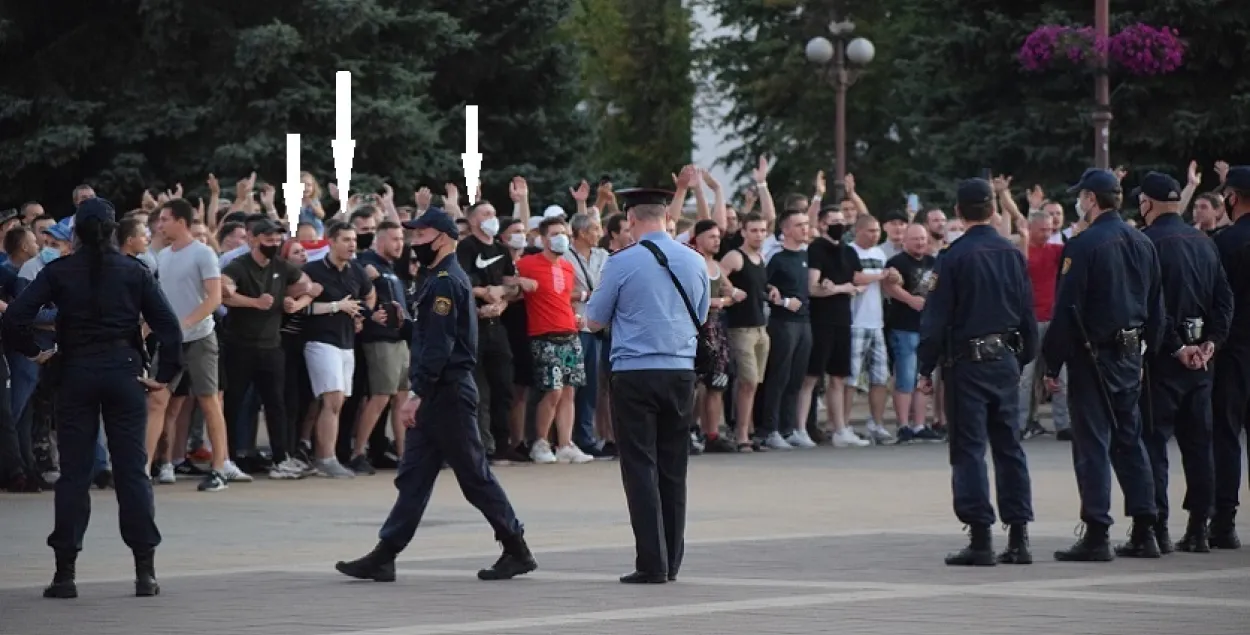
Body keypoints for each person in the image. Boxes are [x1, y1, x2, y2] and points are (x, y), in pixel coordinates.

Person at [335, 208, 536, 583]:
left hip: (447, 392)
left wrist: (417, 393)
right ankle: (385, 554)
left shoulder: (445, 280)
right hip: (440, 391)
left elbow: (442, 346)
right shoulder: (436, 278)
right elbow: (432, 334)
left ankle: (516, 547)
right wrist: (404, 323)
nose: (414, 243)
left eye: (421, 236)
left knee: (474, 476)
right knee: (414, 476)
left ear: (441, 237)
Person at [1, 198, 183, 599]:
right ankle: (144, 571)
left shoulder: (60, 271)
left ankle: (65, 574)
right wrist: (163, 377)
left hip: (76, 371)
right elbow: (170, 328)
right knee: (132, 471)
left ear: (77, 233)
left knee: (74, 475)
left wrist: (35, 352)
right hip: (123, 370)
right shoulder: (134, 272)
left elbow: (15, 316)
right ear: (115, 230)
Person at [1042, 168, 1165, 561]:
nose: (1079, 202)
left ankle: (1097, 531)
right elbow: (1157, 308)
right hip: (1130, 354)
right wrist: (1148, 351)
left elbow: (1066, 308)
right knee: (1129, 439)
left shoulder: (1084, 244)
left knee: (1093, 443)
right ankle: (1146, 528)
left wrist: (1051, 362)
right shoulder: (1142, 242)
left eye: (1082, 196)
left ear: (1092, 200)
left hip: (1093, 355)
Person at [585, 200, 710, 584]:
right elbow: (702, 316)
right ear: (668, 219)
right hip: (680, 372)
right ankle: (672, 559)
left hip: (635, 372)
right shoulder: (694, 260)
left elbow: (594, 319)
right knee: (674, 467)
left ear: (632, 221)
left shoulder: (621, 262)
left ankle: (651, 562)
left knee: (640, 466)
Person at [915, 178, 1036, 566]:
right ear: (992, 210)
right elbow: (1026, 312)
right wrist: (1024, 358)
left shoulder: (953, 256)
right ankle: (1019, 538)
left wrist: (924, 368)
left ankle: (981, 538)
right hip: (1004, 362)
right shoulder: (1011, 253)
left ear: (958, 211)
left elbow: (935, 319)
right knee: (1009, 448)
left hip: (966, 365)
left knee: (968, 449)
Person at [1135, 171, 1233, 554]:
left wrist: (1176, 346)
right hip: (1201, 360)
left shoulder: (1146, 244)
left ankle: (1156, 525)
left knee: (1154, 442)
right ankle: (1198, 527)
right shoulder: (1205, 243)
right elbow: (1224, 300)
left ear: (1148, 203)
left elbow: (1150, 306)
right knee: (1199, 445)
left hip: (1163, 359)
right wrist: (1210, 343)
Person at [1209, 165, 1250, 548]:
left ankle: (1224, 521)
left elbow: (1215, 297)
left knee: (1225, 433)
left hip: (1234, 349)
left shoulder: (1225, 242)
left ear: (1232, 198)